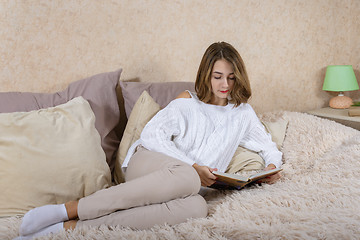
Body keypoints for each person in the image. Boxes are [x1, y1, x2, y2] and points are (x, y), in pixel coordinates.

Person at [16, 42, 282, 239]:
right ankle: (68, 209)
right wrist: (192, 167)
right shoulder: (188, 102)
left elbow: (267, 145)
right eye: (218, 76)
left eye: (231, 77)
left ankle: (68, 228)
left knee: (197, 206)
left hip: (188, 187)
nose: (225, 84)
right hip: (147, 162)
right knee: (189, 179)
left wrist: (271, 167)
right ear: (206, 75)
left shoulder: (242, 114)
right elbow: (152, 136)